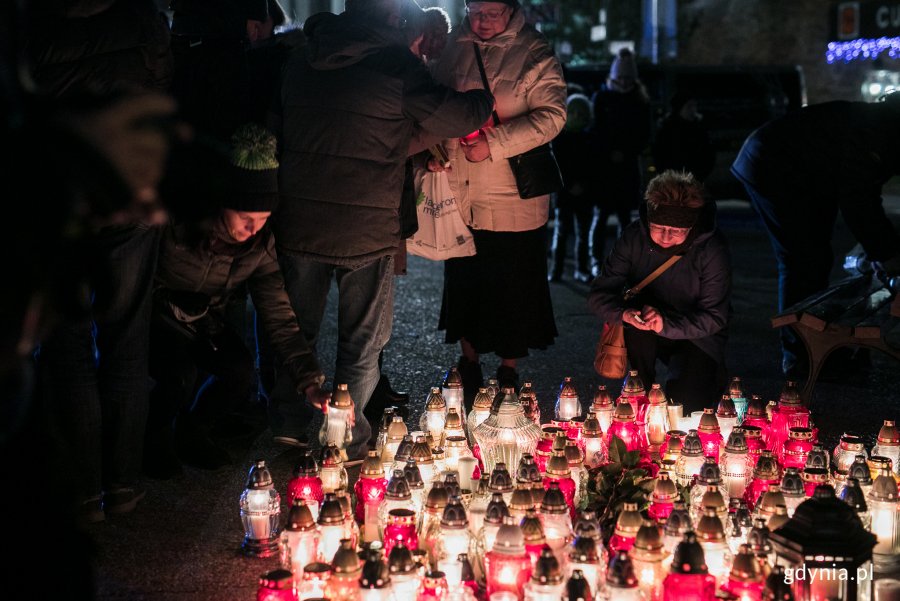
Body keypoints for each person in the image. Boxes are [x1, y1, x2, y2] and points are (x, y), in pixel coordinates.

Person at [269, 0, 494, 461]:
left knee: (296, 330)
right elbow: (454, 114)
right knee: (362, 342)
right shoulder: (395, 65)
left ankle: (287, 425)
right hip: (366, 228)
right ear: (391, 20)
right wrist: (483, 101)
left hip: (299, 220)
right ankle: (344, 440)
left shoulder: (300, 57)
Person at [144, 124, 330, 478]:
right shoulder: (178, 224)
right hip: (155, 314)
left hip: (201, 320)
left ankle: (192, 430)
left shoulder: (259, 247)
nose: (253, 228)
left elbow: (278, 314)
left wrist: (309, 383)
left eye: (262, 219)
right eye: (245, 217)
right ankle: (152, 439)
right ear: (222, 204)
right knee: (177, 374)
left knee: (239, 371)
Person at [429, 0, 567, 394]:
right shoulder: (456, 44)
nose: (482, 21)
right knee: (464, 282)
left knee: (512, 285)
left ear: (511, 11)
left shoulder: (533, 51)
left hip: (512, 198)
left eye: (491, 13)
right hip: (460, 190)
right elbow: (434, 101)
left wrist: (495, 142)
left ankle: (508, 369)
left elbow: (553, 115)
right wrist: (435, 151)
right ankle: (468, 361)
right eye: (476, 11)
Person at [731, 96, 900, 377]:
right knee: (802, 258)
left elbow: (864, 189)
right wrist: (885, 252)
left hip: (802, 172)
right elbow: (859, 198)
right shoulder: (877, 133)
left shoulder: (880, 127)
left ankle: (817, 344)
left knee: (815, 257)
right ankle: (800, 356)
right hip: (775, 166)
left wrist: (882, 248)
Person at [588, 170, 732, 414]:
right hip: (643, 329)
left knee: (686, 405)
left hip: (696, 334)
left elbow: (715, 316)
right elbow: (598, 295)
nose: (665, 237)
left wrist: (665, 324)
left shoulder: (711, 249)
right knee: (639, 400)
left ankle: (702, 380)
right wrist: (624, 315)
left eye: (676, 230)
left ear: (691, 226)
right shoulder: (635, 237)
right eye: (658, 227)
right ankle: (639, 396)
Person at [590, 48, 651, 277]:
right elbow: (595, 131)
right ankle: (596, 259)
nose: (624, 81)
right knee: (603, 215)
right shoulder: (603, 98)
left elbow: (644, 133)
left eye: (627, 77)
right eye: (621, 77)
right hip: (606, 167)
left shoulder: (638, 100)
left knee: (625, 219)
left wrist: (626, 151)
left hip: (625, 166)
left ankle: (622, 263)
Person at [549, 92, 597, 284]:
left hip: (577, 192)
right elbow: (557, 166)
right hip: (568, 193)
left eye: (581, 113)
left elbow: (594, 167)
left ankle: (574, 269)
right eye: (574, 112)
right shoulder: (560, 138)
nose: (577, 116)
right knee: (564, 232)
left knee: (579, 233)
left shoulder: (588, 138)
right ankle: (560, 269)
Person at [652, 89, 715, 182]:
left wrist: (699, 175)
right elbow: (659, 157)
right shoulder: (667, 130)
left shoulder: (699, 128)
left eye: (694, 106)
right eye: (689, 106)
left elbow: (709, 154)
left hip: (695, 180)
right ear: (679, 109)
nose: (693, 110)